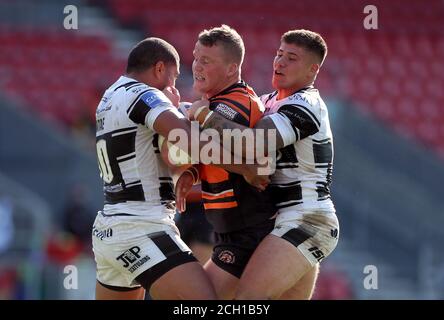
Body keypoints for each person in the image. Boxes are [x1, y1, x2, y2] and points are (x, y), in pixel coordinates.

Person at [92, 37, 266, 300]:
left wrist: (192, 169)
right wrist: (245, 168)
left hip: (109, 230)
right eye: (172, 78)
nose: (173, 87)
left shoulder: (110, 96)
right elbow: (187, 139)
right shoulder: (144, 94)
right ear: (159, 69)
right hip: (141, 227)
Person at [189, 29, 339, 299]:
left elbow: (255, 143)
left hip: (306, 219)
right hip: (282, 219)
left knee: (246, 301)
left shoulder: (306, 104)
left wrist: (203, 115)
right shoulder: (268, 101)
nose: (279, 62)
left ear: (312, 70)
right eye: (279, 54)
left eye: (291, 58)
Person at [175, 25, 277, 299]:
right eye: (196, 58)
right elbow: (217, 153)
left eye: (206, 61)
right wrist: (194, 171)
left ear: (232, 69)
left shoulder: (233, 104)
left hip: (246, 230)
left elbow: (230, 146)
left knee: (197, 300)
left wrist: (189, 119)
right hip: (229, 228)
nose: (196, 66)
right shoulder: (218, 102)